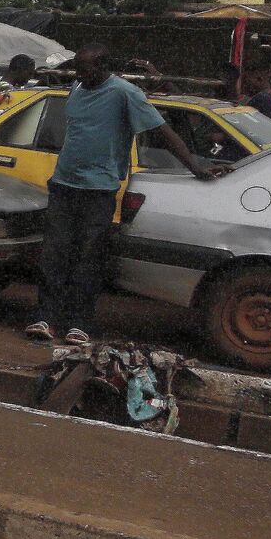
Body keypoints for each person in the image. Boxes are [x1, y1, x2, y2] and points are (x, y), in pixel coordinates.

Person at [24, 43, 225, 346]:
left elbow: (162, 131)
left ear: (104, 67)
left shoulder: (125, 93)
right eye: (77, 67)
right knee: (54, 253)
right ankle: (46, 318)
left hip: (99, 189)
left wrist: (194, 166)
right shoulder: (78, 88)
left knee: (88, 257)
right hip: (64, 185)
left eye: (85, 68)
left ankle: (79, 324)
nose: (78, 73)